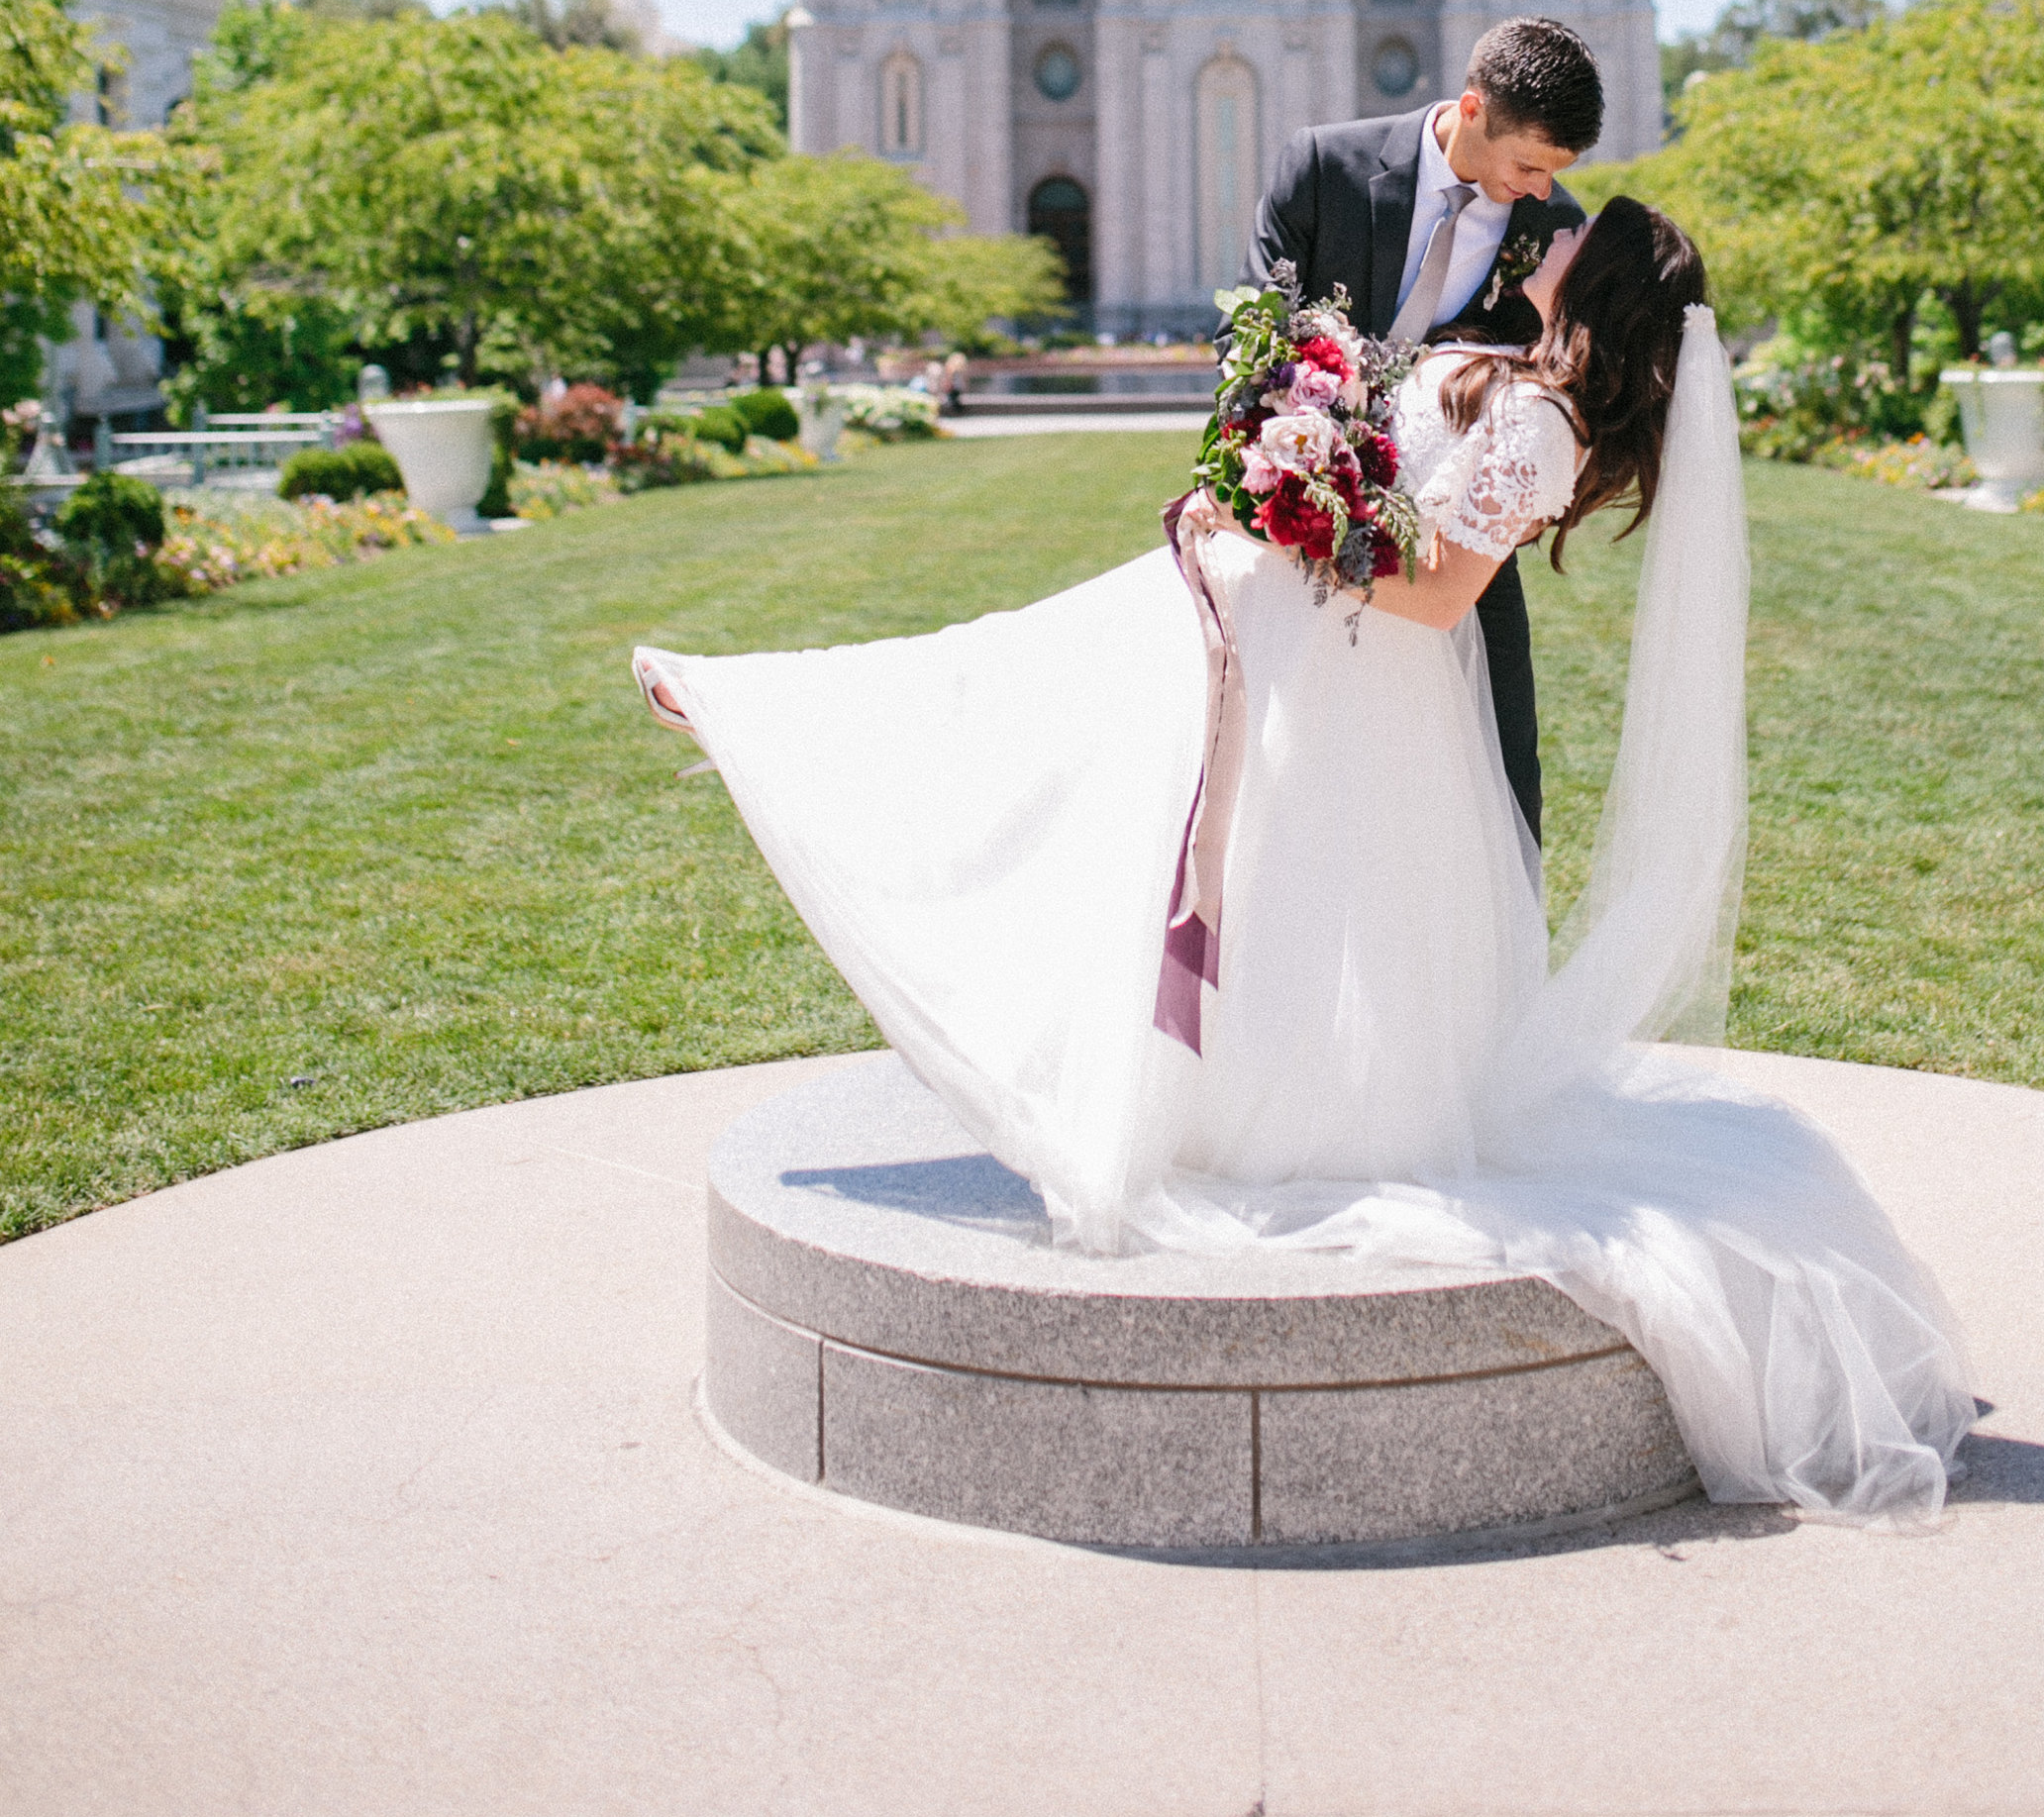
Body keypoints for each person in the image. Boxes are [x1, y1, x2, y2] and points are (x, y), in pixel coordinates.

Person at [634, 192, 1975, 1525]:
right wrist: (1299, 430)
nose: (1550, 230)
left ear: (1601, 276)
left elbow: (1444, 586)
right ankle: (771, 715)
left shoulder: (1547, 425)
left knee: (1080, 734)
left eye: (1575, 231)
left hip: (1340, 680)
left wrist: (1297, 527)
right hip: (1278, 639)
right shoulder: (1508, 372)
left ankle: (765, 718)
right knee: (1043, 696)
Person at [1245, 14, 1602, 849]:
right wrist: (1302, 477)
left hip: (1459, 557)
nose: (1543, 189)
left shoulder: (1550, 229)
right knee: (1299, 784)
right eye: (1529, 166)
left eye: (1557, 173)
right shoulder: (1324, 166)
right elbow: (1254, 339)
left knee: (1502, 794)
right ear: (1473, 109)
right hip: (1305, 531)